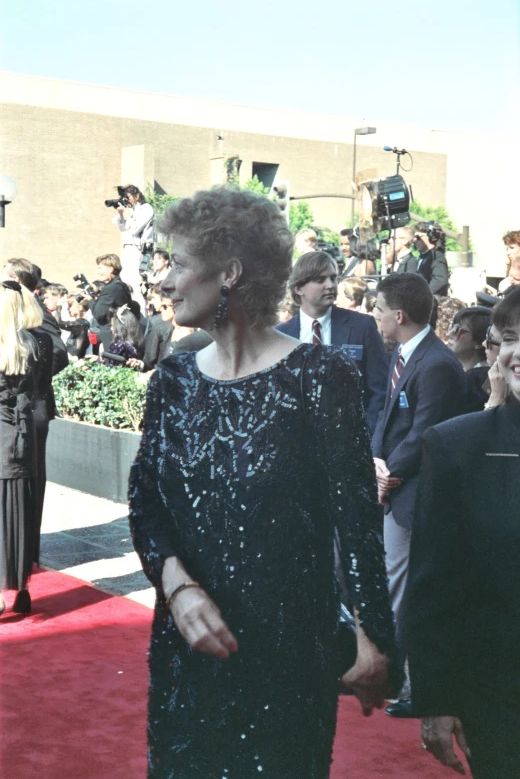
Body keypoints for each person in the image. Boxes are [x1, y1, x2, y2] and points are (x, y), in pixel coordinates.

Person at [128, 185, 397, 779]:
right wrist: (179, 589)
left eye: (176, 264)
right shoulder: (171, 381)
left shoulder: (322, 377)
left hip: (288, 656)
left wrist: (373, 635)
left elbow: (356, 519)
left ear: (229, 272)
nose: (164, 282)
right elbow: (146, 508)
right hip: (187, 651)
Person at [405, 286, 520, 778]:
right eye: (511, 338)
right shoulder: (458, 446)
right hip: (499, 697)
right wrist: (436, 696)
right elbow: (434, 583)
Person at [371, 273, 466, 718]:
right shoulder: (405, 355)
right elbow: (388, 420)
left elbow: (426, 430)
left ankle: (404, 682)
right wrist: (375, 463)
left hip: (416, 498)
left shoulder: (437, 364)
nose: (375, 316)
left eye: (378, 309)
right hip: (394, 488)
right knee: (392, 588)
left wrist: (389, 473)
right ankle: (393, 676)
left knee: (404, 592)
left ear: (399, 315)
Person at [277, 251, 388, 435]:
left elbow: (380, 390)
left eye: (333, 278)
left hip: (352, 441)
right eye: (320, 280)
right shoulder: (282, 335)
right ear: (299, 288)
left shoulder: (361, 326)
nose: (330, 285)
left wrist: (365, 437)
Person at [0, 281, 51, 616]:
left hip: (3, 433)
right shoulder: (40, 342)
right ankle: (22, 588)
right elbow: (43, 388)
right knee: (24, 510)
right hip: (26, 436)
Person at [112, 184, 154, 311]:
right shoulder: (132, 211)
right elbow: (122, 228)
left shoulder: (146, 209)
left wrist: (128, 214)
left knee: (137, 284)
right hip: (128, 248)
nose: (127, 201)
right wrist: (120, 214)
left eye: (128, 197)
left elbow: (135, 229)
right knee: (126, 282)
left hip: (139, 249)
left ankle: (140, 313)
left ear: (137, 196)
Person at [447, 306, 491, 412]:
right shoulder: (466, 373)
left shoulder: (476, 381)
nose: (449, 334)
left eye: (458, 330)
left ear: (480, 342)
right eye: (452, 327)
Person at [87, 254, 132, 350]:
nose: (98, 272)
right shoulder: (121, 285)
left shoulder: (110, 288)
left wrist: (89, 300)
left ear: (110, 269)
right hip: (121, 333)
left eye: (100, 268)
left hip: (111, 334)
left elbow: (98, 313)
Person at [412, 222, 450, 296]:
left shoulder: (436, 256)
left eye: (418, 237)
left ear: (432, 237)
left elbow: (440, 280)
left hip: (433, 303)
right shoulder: (423, 257)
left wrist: (422, 296)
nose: (414, 240)